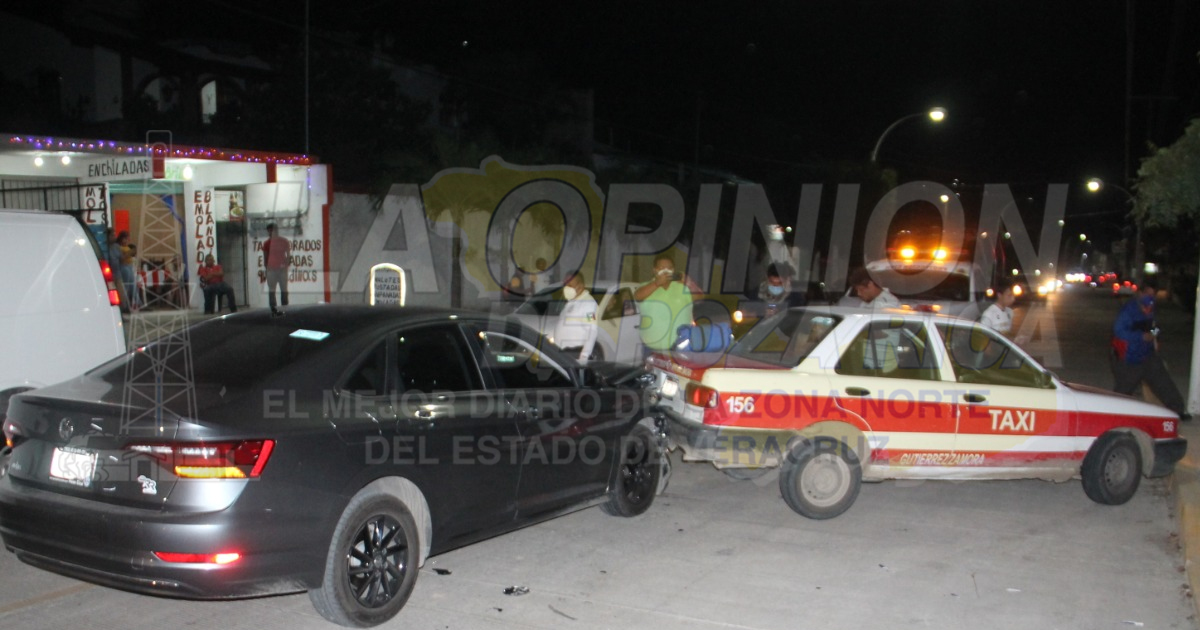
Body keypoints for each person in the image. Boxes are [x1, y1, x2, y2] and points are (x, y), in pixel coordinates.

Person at [1111, 281, 1189, 420]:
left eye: (1154, 294)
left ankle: (1177, 411)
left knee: (1163, 382)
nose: (1151, 297)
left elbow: (1156, 326)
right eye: (1148, 293)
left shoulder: (1151, 308)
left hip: (1147, 354)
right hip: (1129, 357)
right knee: (1123, 390)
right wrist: (1141, 336)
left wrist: (1154, 333)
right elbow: (1119, 331)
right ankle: (1110, 413)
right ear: (1140, 293)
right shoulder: (1129, 310)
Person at [635, 254, 700, 357]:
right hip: (653, 348)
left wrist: (688, 283)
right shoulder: (645, 286)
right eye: (661, 268)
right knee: (651, 373)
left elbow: (700, 297)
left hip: (682, 346)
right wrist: (657, 283)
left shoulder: (682, 287)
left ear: (673, 270)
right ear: (655, 270)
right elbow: (638, 296)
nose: (666, 271)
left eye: (669, 268)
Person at [553, 272, 599, 362]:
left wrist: (584, 356)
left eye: (570, 285)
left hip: (575, 353)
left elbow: (592, 331)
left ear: (580, 286)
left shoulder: (588, 304)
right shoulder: (571, 302)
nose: (566, 288)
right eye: (565, 285)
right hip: (562, 353)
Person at [261, 223, 290, 315]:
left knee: (284, 290)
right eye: (269, 230)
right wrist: (267, 268)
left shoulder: (284, 241)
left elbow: (288, 255)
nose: (270, 232)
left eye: (272, 230)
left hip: (282, 270)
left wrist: (285, 265)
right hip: (271, 270)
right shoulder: (266, 243)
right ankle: (273, 310)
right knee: (271, 291)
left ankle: (285, 309)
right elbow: (265, 257)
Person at [115, 231, 141, 311]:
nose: (126, 241)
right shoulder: (119, 247)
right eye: (125, 239)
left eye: (127, 239)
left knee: (133, 285)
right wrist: (130, 252)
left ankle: (138, 303)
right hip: (124, 267)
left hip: (129, 266)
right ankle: (125, 304)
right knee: (126, 286)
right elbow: (121, 257)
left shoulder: (127, 247)